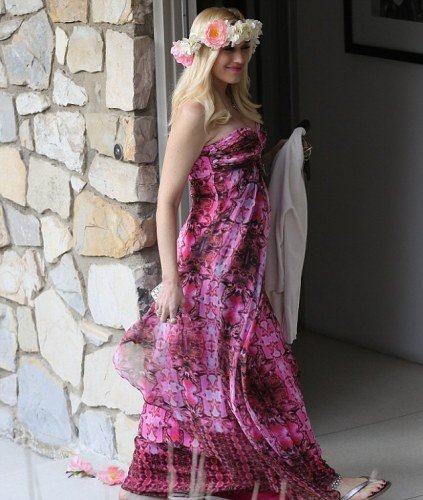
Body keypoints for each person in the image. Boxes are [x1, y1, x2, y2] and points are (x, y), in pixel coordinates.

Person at [113, 7, 391, 500]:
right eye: (228, 49)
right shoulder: (195, 111)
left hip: (244, 267)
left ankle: (248, 476)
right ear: (204, 53)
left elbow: (236, 172)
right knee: (242, 373)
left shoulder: (233, 104)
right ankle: (313, 480)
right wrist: (171, 281)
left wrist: (282, 157)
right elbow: (167, 201)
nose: (238, 58)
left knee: (241, 375)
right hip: (211, 268)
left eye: (244, 48)